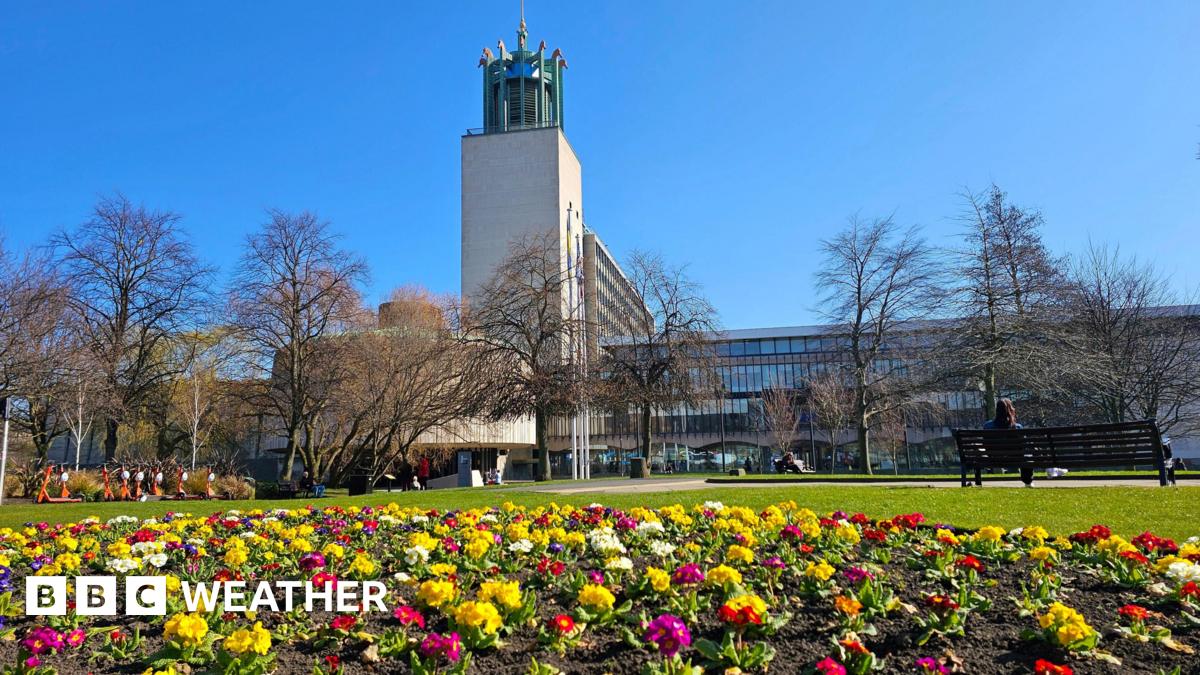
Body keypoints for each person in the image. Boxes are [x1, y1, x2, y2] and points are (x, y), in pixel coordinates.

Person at [983, 398, 1029, 485]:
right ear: (1010, 410)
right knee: (1027, 455)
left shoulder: (988, 426)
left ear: (997, 410)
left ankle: (978, 482)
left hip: (994, 458)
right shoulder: (1017, 427)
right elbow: (1023, 446)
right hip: (1015, 459)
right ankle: (1027, 481)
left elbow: (985, 444)